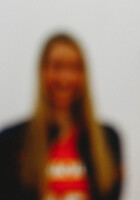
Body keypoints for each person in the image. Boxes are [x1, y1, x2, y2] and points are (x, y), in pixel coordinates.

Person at [0, 34, 122, 200]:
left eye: (74, 67)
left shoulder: (108, 139)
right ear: (42, 71)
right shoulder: (11, 140)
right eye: (57, 66)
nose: (65, 77)